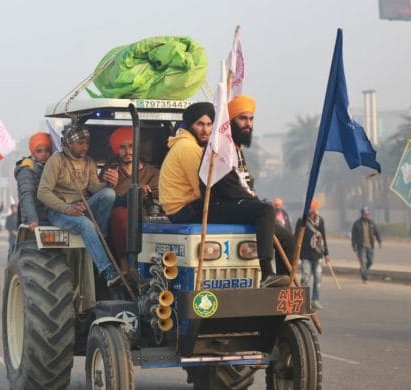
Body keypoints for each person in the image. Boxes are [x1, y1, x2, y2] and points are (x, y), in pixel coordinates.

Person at [159, 99, 293, 287]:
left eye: (209, 124)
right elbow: (207, 188)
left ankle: (282, 288)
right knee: (264, 211)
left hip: (200, 205)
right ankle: (267, 274)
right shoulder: (190, 148)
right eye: (200, 124)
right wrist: (244, 202)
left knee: (287, 238)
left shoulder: (224, 148)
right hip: (188, 210)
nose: (205, 130)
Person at [38, 124, 119, 286]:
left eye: (87, 143)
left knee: (109, 194)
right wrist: (67, 208)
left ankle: (100, 236)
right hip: (60, 211)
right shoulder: (56, 160)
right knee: (85, 224)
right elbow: (43, 192)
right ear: (69, 143)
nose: (85, 147)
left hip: (82, 207)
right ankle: (107, 271)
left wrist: (110, 184)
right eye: (80, 143)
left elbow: (94, 188)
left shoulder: (89, 162)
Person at [102, 126, 159, 273]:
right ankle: (125, 264)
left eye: (131, 146)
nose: (127, 151)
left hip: (146, 216)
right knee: (120, 214)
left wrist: (143, 193)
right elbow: (104, 201)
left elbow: (157, 196)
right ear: (116, 149)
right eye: (122, 147)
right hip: (119, 224)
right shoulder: (110, 172)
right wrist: (111, 186)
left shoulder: (152, 172)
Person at [14, 132, 53, 229]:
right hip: (35, 224)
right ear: (33, 152)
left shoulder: (51, 167)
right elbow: (27, 195)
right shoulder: (27, 169)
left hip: (52, 219)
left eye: (47, 150)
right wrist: (33, 220)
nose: (44, 154)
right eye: (39, 151)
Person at [296, 199, 329, 310]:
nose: (311, 210)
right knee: (305, 278)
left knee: (318, 279)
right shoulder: (302, 221)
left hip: (318, 255)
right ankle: (302, 301)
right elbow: (296, 238)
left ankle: (315, 300)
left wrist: (326, 254)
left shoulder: (320, 221)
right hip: (306, 255)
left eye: (313, 208)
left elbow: (323, 237)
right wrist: (296, 254)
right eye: (310, 208)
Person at [351, 206, 382, 282]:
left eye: (368, 214)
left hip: (370, 246)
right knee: (362, 262)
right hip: (361, 246)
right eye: (365, 214)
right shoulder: (356, 224)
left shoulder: (371, 223)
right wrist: (354, 246)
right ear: (362, 214)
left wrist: (379, 241)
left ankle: (363, 270)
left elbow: (376, 232)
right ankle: (365, 278)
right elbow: (353, 236)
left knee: (370, 261)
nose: (367, 215)